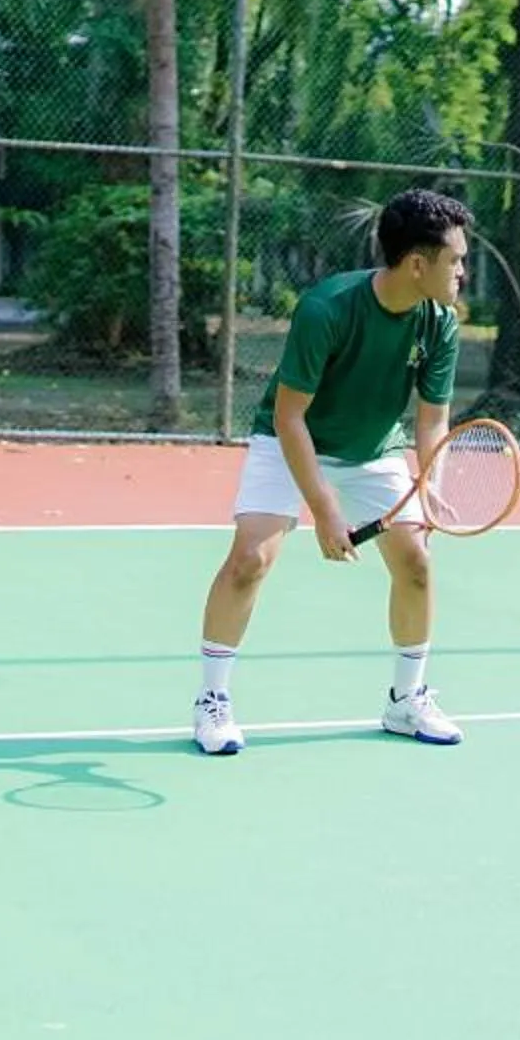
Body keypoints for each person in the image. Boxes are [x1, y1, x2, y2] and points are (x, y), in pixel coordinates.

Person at [193, 187, 473, 755]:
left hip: (373, 451)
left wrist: (432, 485)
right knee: (250, 560)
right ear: (417, 263)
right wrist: (324, 509)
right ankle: (212, 701)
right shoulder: (327, 308)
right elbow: (289, 415)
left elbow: (432, 418)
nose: (462, 272)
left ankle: (405, 699)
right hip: (290, 440)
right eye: (456, 260)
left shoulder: (440, 322)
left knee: (416, 562)